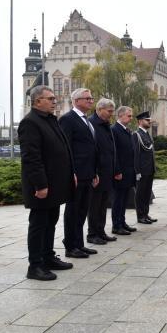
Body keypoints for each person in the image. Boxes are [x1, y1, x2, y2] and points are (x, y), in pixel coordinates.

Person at [18, 85, 75, 281]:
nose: (54, 101)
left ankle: (48, 257)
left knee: (51, 222)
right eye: (49, 98)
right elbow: (31, 157)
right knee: (39, 224)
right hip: (43, 186)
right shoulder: (30, 123)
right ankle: (35, 266)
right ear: (37, 101)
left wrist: (71, 173)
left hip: (56, 184)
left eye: (54, 98)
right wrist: (40, 185)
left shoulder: (50, 120)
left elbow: (64, 150)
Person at [59, 88, 99, 259]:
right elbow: (65, 148)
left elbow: (91, 148)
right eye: (87, 98)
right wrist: (71, 172)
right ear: (76, 101)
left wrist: (95, 172)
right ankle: (70, 246)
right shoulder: (68, 119)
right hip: (77, 174)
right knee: (73, 211)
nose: (91, 101)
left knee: (83, 210)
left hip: (88, 173)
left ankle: (79, 244)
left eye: (92, 98)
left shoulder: (86, 120)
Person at [87, 98, 119, 244]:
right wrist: (94, 172)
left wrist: (115, 169)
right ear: (99, 109)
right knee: (94, 205)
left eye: (112, 111)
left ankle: (101, 231)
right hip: (97, 173)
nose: (111, 114)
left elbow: (112, 150)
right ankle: (92, 234)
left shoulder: (106, 125)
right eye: (109, 111)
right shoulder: (91, 124)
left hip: (108, 172)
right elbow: (91, 151)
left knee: (103, 205)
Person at [111, 106, 137, 235]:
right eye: (129, 116)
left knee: (124, 198)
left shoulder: (127, 130)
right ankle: (116, 225)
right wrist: (117, 171)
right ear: (120, 116)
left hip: (129, 171)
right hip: (120, 172)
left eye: (131, 116)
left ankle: (122, 222)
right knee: (118, 199)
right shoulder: (114, 130)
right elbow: (114, 153)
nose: (131, 118)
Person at [133, 111, 157, 225]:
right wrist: (137, 171)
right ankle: (140, 216)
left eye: (149, 120)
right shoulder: (136, 135)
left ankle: (146, 214)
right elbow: (136, 154)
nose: (149, 122)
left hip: (150, 169)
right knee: (140, 194)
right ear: (140, 121)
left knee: (147, 193)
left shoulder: (147, 134)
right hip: (142, 170)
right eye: (147, 120)